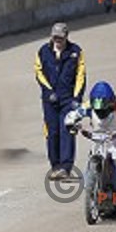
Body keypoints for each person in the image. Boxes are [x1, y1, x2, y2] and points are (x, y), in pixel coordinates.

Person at [64, 81, 116, 216]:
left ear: (111, 102)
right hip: (97, 142)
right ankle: (93, 190)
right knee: (91, 166)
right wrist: (70, 123)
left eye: (104, 107)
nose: (100, 111)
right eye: (97, 107)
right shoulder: (89, 106)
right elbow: (73, 114)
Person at [34, 22, 86, 179]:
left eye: (60, 37)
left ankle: (65, 167)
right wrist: (48, 91)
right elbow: (38, 73)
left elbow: (81, 76)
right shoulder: (43, 51)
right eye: (55, 37)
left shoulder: (76, 52)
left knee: (67, 131)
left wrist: (76, 98)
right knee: (52, 132)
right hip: (49, 100)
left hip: (68, 99)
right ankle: (55, 166)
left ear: (66, 37)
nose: (57, 40)